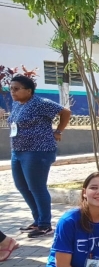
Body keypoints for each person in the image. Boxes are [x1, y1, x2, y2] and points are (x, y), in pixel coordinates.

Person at [8, 75, 71, 238]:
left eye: (16, 89)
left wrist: (58, 131)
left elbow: (65, 112)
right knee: (22, 186)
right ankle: (37, 220)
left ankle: (45, 225)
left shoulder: (40, 103)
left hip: (37, 151)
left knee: (37, 187)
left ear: (29, 91)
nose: (12, 92)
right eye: (11, 88)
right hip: (18, 151)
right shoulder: (17, 104)